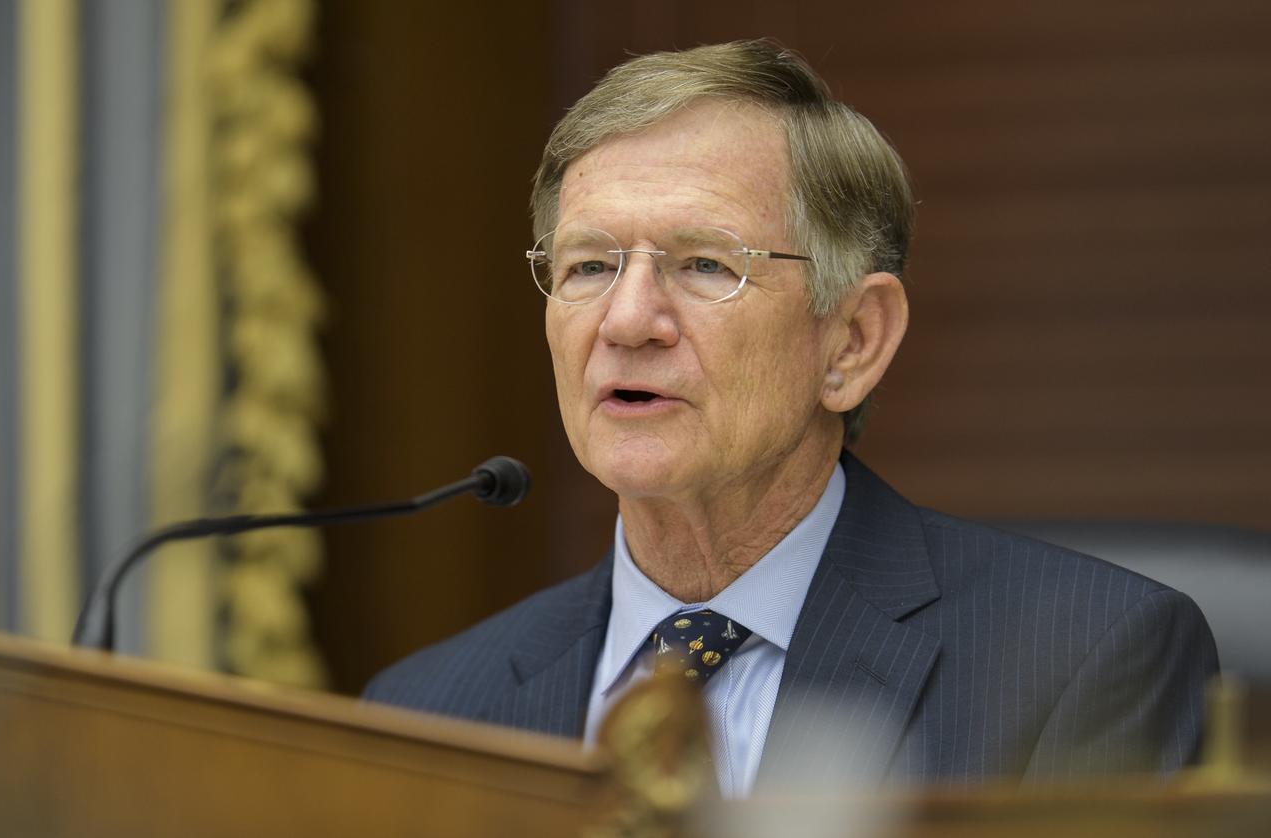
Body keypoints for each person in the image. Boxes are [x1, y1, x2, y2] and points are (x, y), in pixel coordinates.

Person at [365, 40, 1218, 797]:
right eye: (589, 265)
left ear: (852, 340)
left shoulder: (1083, 661)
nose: (625, 321)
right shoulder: (427, 713)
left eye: (703, 264)